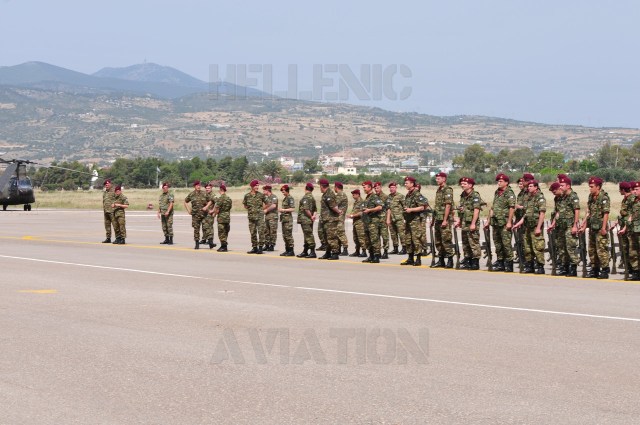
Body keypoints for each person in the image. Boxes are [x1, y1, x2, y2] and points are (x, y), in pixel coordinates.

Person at [580, 176, 610, 279]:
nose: (590, 188)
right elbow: (588, 211)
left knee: (601, 249)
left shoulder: (604, 197)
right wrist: (584, 224)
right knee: (592, 249)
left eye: (592, 186)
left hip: (600, 228)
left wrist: (604, 228)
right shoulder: (591, 196)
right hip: (592, 227)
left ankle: (605, 269)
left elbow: (606, 213)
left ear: (598, 187)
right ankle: (594, 269)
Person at [513, 180, 546, 274]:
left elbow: (542, 213)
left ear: (536, 187)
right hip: (527, 225)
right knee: (527, 247)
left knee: (538, 247)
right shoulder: (528, 198)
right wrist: (519, 223)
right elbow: (527, 214)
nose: (529, 188)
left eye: (531, 186)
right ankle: (529, 265)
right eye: (528, 186)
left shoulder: (540, 198)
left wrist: (539, 227)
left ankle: (540, 266)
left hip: (535, 225)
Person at [484, 173, 515, 272]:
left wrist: (509, 222)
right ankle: (500, 262)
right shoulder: (497, 192)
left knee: (506, 244)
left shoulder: (509, 193)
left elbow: (512, 208)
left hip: (505, 222)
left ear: (506, 182)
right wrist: (488, 220)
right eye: (498, 181)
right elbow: (493, 207)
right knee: (497, 243)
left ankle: (509, 263)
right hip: (496, 222)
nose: (499, 182)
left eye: (501, 181)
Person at [455, 177, 484, 270]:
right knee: (465, 242)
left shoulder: (475, 195)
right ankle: (468, 260)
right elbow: (461, 209)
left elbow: (476, 210)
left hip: (471, 222)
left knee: (473, 242)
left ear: (470, 185)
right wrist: (459, 220)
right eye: (461, 184)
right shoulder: (463, 195)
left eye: (464, 184)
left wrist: (473, 223)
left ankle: (475, 262)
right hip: (464, 222)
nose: (462, 185)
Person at [556, 177, 580, 276]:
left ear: (568, 186)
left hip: (570, 226)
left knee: (570, 247)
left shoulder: (573, 196)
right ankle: (565, 267)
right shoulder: (563, 197)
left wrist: (575, 225)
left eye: (562, 185)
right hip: (562, 226)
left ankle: (573, 268)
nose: (560, 187)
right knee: (562, 248)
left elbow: (577, 210)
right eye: (560, 185)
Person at [401, 176, 428, 266]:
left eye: (407, 183)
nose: (405, 184)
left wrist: (411, 209)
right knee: (408, 239)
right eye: (405, 183)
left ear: (412, 184)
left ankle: (418, 258)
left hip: (415, 220)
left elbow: (423, 206)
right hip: (408, 220)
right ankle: (410, 258)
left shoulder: (417, 194)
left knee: (416, 239)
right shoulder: (408, 194)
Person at [431, 172, 455, 268]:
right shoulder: (439, 190)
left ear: (444, 179)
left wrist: (445, 220)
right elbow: (437, 207)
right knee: (438, 241)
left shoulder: (447, 190)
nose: (437, 180)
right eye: (436, 178)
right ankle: (441, 260)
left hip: (444, 219)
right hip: (438, 218)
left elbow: (448, 205)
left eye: (439, 178)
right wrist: (433, 220)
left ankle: (450, 260)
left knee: (446, 240)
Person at [317, 178, 342, 260]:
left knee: (332, 237)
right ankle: (328, 252)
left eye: (320, 186)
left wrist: (338, 211)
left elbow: (333, 206)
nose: (319, 188)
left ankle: (335, 253)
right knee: (326, 237)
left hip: (330, 220)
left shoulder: (329, 194)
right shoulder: (325, 194)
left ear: (322, 186)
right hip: (326, 219)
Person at [184, 180, 212, 249]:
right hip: (195, 215)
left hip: (204, 215)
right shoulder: (191, 194)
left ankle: (210, 242)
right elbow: (185, 201)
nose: (198, 187)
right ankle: (197, 243)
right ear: (194, 186)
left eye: (199, 185)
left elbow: (210, 201)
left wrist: (206, 207)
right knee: (196, 229)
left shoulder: (204, 193)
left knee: (206, 228)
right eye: (197, 186)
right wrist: (188, 210)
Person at [361, 181, 384, 263]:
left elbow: (380, 206)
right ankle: (371, 256)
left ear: (370, 187)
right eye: (363, 187)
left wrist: (370, 210)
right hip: (367, 222)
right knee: (367, 240)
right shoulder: (367, 197)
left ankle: (377, 256)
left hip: (373, 222)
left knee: (374, 239)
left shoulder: (374, 197)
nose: (364, 188)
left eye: (365, 187)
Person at [243, 179, 266, 254]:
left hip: (259, 217)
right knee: (252, 233)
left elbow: (268, 203)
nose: (257, 187)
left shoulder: (261, 195)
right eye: (256, 185)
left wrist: (261, 210)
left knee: (261, 232)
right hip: (251, 217)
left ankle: (260, 248)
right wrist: (251, 210)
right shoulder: (247, 196)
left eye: (258, 185)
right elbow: (245, 205)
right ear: (252, 186)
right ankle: (254, 247)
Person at [617, 182, 634, 277]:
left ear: (623, 190)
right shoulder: (625, 199)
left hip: (629, 228)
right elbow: (624, 214)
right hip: (623, 227)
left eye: (620, 189)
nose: (619, 191)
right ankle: (629, 268)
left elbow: (631, 215)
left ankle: (633, 269)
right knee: (625, 248)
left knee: (631, 249)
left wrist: (625, 227)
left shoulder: (631, 199)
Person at [296, 183, 317, 258]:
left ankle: (312, 252)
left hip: (305, 219)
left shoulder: (306, 197)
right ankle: (305, 251)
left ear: (306, 188)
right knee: (307, 235)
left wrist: (311, 216)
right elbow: (315, 209)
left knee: (308, 235)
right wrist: (313, 216)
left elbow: (306, 209)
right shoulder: (312, 197)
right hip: (309, 219)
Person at [386, 182, 406, 255]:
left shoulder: (400, 196)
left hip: (399, 218)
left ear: (396, 188)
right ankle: (395, 248)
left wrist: (404, 218)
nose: (392, 189)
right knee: (393, 234)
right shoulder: (388, 197)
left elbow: (405, 207)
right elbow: (388, 208)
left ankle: (404, 248)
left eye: (393, 187)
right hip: (391, 218)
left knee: (401, 234)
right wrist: (388, 219)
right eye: (390, 188)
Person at [348, 189, 368, 257]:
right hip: (355, 222)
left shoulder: (362, 202)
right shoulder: (356, 202)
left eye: (354, 195)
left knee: (361, 237)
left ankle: (364, 251)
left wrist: (352, 215)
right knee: (355, 238)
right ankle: (357, 251)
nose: (353, 196)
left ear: (357, 195)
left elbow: (361, 213)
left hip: (360, 223)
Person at [214, 184, 232, 252]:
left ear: (221, 190)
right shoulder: (229, 199)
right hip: (227, 217)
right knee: (226, 231)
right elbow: (230, 208)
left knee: (221, 232)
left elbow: (217, 209)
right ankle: (224, 245)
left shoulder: (220, 199)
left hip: (221, 218)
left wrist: (215, 214)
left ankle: (223, 246)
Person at [279, 185, 295, 256]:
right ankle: (287, 250)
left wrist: (283, 210)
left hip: (288, 220)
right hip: (284, 220)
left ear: (287, 190)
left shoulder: (290, 198)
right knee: (284, 235)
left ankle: (291, 251)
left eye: (283, 190)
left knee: (288, 235)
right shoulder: (285, 198)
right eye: (282, 191)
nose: (282, 192)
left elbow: (292, 209)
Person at [334, 182, 349, 255]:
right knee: (337, 233)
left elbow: (334, 204)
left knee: (340, 232)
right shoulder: (341, 194)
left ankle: (345, 249)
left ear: (336, 187)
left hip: (339, 217)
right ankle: (339, 249)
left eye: (334, 187)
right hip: (338, 217)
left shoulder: (341, 194)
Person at [262, 185, 279, 251]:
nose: (263, 192)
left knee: (272, 231)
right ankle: (266, 245)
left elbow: (274, 205)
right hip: (267, 217)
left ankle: (272, 245)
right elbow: (265, 206)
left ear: (267, 190)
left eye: (264, 190)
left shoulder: (274, 197)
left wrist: (266, 210)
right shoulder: (266, 198)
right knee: (266, 231)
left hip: (273, 217)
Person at [201, 182, 217, 249]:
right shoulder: (205, 195)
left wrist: (213, 211)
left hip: (210, 214)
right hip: (204, 214)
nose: (207, 189)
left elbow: (217, 203)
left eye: (209, 188)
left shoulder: (213, 195)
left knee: (209, 227)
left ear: (211, 188)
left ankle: (211, 241)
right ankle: (205, 239)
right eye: (206, 188)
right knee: (204, 227)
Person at [102, 179, 115, 243]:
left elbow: (118, 199)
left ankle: (118, 238)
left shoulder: (114, 191)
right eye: (105, 185)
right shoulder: (105, 192)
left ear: (110, 184)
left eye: (107, 184)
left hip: (112, 211)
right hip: (106, 211)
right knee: (107, 225)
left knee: (115, 225)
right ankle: (108, 238)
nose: (106, 185)